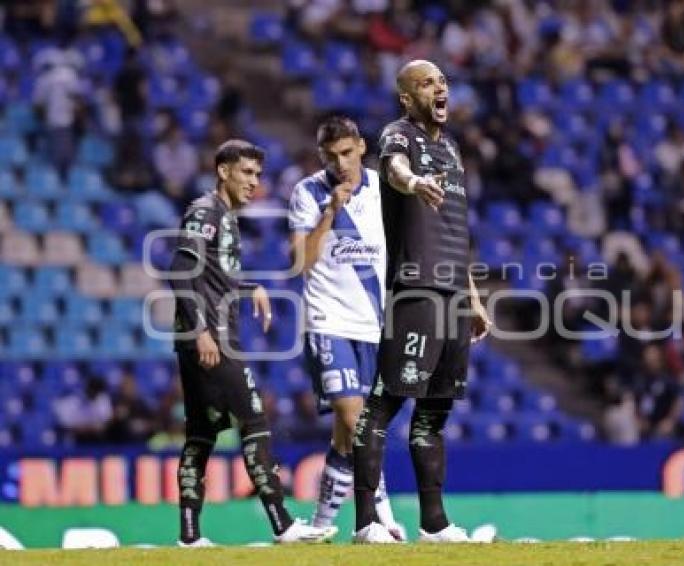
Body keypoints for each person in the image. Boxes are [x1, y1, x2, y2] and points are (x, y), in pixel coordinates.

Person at [167, 139, 337, 547]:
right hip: (212, 338)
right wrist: (202, 331)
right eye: (246, 172)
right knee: (254, 420)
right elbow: (179, 271)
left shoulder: (225, 216)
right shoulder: (206, 210)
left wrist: (249, 286)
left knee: (201, 434)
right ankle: (283, 525)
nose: (254, 182)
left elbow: (212, 274)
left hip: (203, 337)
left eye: (258, 174)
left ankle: (189, 536)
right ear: (223, 171)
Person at [352, 60, 491, 544]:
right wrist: (412, 183)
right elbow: (393, 169)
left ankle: (434, 524)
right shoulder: (399, 134)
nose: (440, 89)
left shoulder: (452, 148)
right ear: (407, 98)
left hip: (454, 291)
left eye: (443, 82)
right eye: (427, 83)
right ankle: (366, 522)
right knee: (385, 404)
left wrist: (472, 295)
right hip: (417, 288)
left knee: (435, 411)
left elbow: (459, 229)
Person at [288, 116, 405, 539]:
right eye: (331, 155)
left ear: (360, 147)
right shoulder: (307, 192)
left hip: (373, 326)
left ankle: (321, 524)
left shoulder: (384, 191)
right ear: (321, 155)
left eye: (347, 153)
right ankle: (381, 517)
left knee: (345, 435)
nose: (340, 163)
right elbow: (300, 261)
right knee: (358, 422)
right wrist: (331, 211)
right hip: (328, 321)